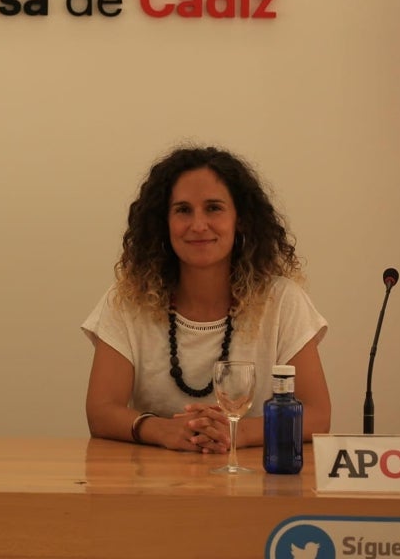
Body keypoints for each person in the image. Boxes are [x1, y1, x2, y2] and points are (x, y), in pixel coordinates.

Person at [82, 146, 330, 452]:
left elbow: (317, 416)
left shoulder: (283, 300)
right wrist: (163, 431)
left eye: (213, 208)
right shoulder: (127, 300)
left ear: (240, 219)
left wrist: (234, 433)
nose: (198, 225)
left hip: (254, 487)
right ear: (164, 222)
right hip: (154, 487)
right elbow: (101, 412)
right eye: (183, 210)